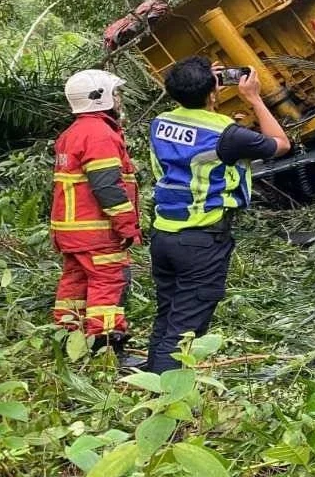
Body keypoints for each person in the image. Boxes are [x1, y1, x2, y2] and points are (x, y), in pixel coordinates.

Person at [146, 56, 290, 372]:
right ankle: (164, 397)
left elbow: (193, 131)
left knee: (168, 311)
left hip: (163, 233)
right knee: (185, 326)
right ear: (213, 92)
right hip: (201, 238)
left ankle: (148, 377)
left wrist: (203, 88)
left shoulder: (159, 123)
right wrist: (253, 97)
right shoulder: (226, 133)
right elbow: (281, 144)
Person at [51, 69, 143, 366]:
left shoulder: (72, 133)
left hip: (71, 230)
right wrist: (127, 225)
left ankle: (69, 341)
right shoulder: (99, 135)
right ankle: (106, 350)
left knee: (74, 286)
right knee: (107, 283)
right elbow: (107, 186)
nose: (119, 100)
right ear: (100, 97)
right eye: (115, 94)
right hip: (97, 232)